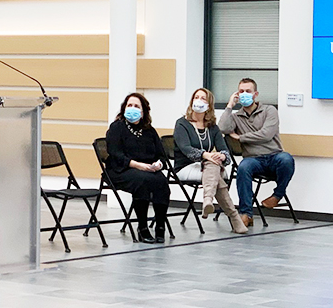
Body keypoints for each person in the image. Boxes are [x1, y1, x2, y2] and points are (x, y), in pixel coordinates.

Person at [218, 78, 295, 227]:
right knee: (243, 168)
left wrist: (241, 137)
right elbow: (222, 128)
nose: (244, 94)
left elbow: (267, 134)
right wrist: (229, 106)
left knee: (287, 160)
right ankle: (246, 214)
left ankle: (277, 195)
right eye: (241, 91)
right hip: (253, 159)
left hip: (274, 155)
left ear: (255, 94)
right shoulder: (235, 117)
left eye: (248, 91)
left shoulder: (269, 110)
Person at [173, 88, 248, 234]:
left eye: (203, 98)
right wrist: (206, 155)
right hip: (186, 167)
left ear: (209, 104)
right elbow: (186, 149)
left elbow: (224, 150)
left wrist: (223, 156)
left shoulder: (212, 127)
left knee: (213, 165)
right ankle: (234, 217)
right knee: (213, 167)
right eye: (196, 97)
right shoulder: (182, 124)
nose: (199, 101)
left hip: (208, 168)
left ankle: (208, 199)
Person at [105, 93, 171, 243]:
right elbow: (115, 154)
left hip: (147, 170)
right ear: (123, 109)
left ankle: (160, 226)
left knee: (161, 181)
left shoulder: (149, 130)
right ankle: (142, 228)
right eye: (129, 105)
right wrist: (137, 165)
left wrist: (158, 165)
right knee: (142, 181)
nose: (132, 109)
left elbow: (161, 155)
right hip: (121, 170)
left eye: (136, 106)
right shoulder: (117, 127)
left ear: (143, 112)